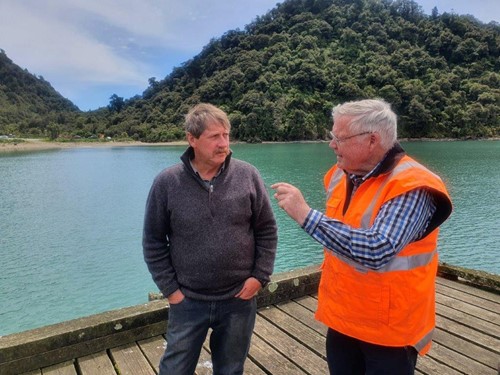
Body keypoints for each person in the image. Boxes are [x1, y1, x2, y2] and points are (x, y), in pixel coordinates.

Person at [272, 98, 452, 375]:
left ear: (372, 140)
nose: (332, 145)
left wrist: (305, 215)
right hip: (344, 318)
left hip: (390, 330)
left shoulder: (412, 185)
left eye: (339, 138)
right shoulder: (339, 176)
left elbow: (377, 250)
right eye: (332, 136)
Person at [143, 103, 278, 375]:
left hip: (239, 299)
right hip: (188, 300)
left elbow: (267, 229)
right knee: (174, 369)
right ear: (192, 139)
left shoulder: (248, 175)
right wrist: (172, 291)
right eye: (214, 136)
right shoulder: (167, 183)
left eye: (226, 135)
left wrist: (259, 276)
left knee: (230, 369)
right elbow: (153, 242)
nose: (223, 143)